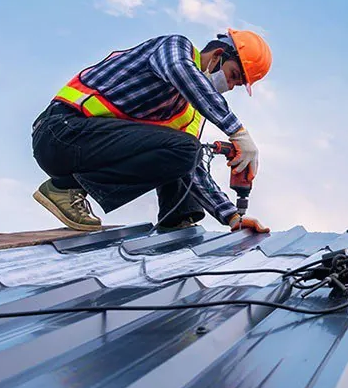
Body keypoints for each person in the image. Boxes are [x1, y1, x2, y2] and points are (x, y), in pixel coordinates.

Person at [31, 29, 272, 234]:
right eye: (233, 76)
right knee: (187, 146)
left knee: (187, 151)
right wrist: (238, 133)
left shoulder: (187, 112)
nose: (228, 86)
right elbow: (181, 71)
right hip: (60, 133)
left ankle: (176, 220)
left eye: (236, 85)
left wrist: (231, 217)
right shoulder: (174, 48)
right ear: (218, 55)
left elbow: (192, 166)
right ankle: (65, 187)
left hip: (90, 148)